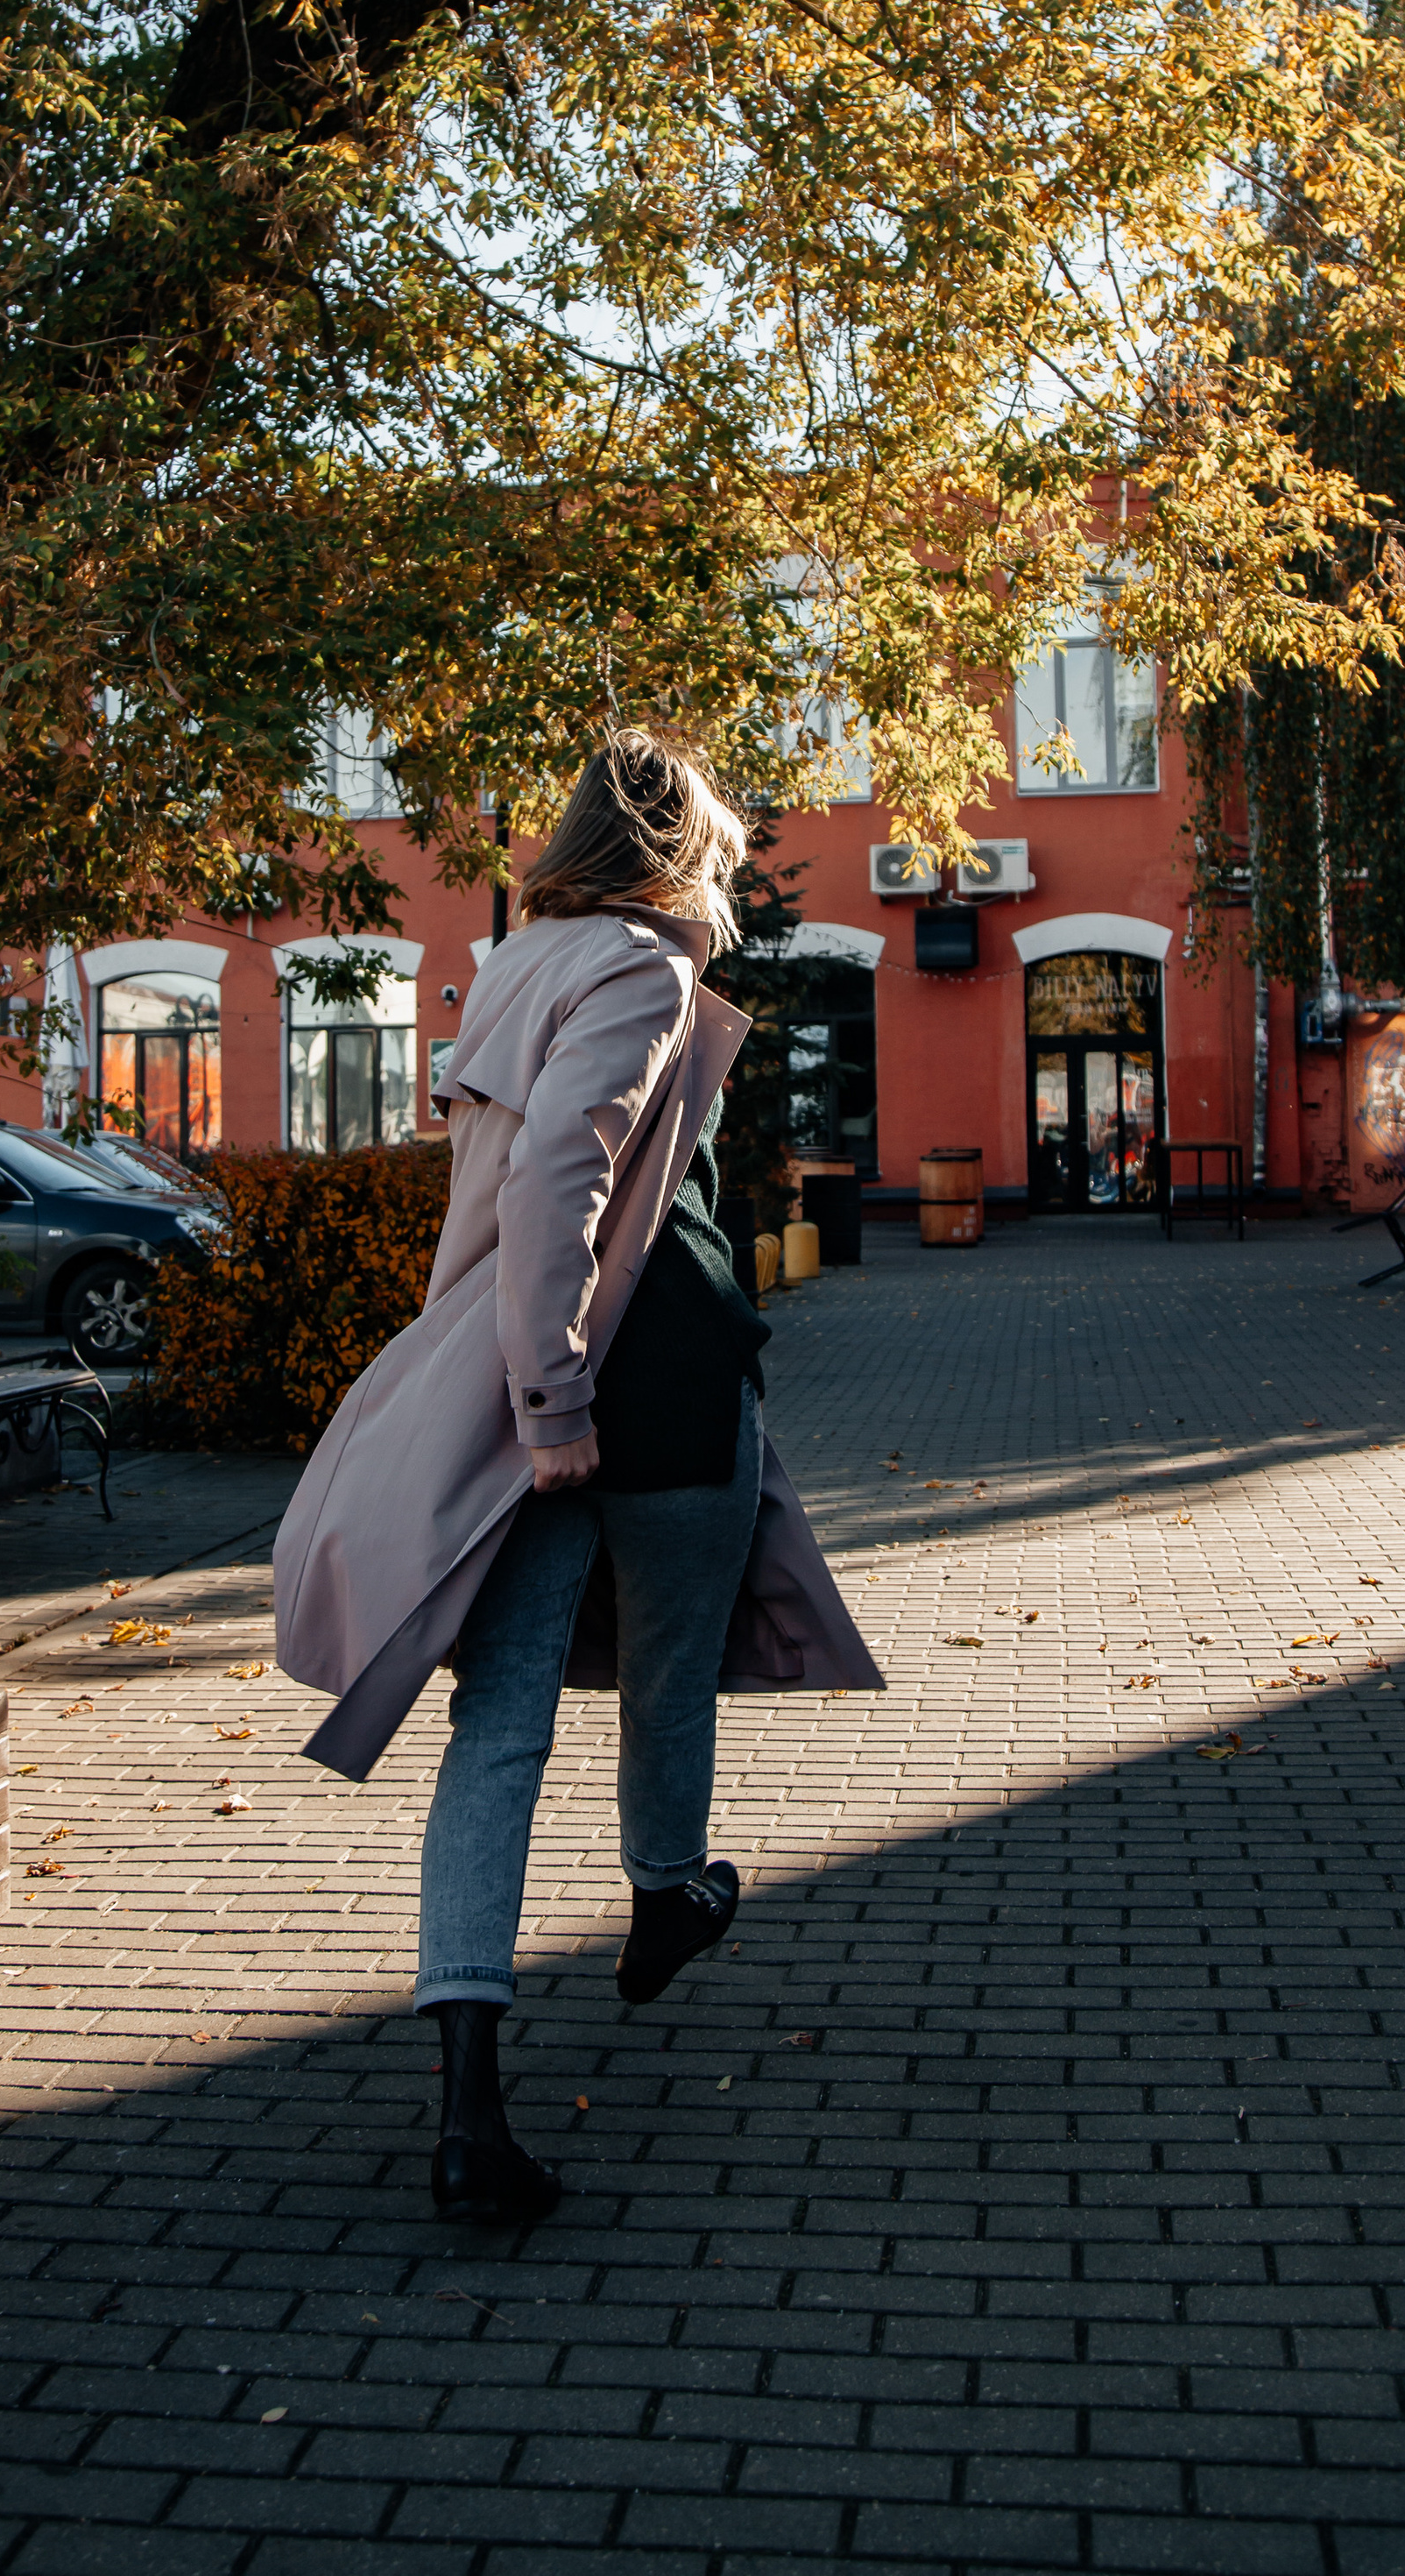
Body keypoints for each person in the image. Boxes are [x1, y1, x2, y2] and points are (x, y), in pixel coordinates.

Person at [273, 729, 882, 2224]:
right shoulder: (640, 968)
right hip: (642, 1383)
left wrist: (524, 1390)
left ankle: (469, 2103)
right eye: (720, 848)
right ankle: (667, 1892)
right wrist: (556, 1400)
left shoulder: (514, 965)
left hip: (526, 1386)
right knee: (672, 1669)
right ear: (680, 851)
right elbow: (563, 1181)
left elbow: (499, 1190)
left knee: (497, 1730)